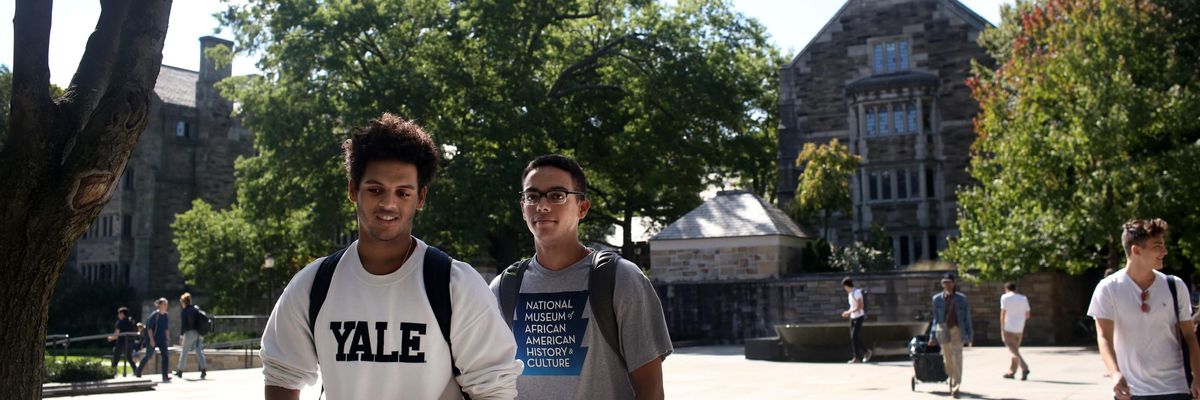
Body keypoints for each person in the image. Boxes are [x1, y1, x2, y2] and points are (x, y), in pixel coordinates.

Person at [259, 113, 521, 400]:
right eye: (375, 190)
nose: (388, 203)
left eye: (403, 193)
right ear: (352, 190)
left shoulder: (454, 284)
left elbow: (494, 388)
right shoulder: (313, 284)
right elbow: (281, 373)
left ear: (420, 198)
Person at [490, 154, 673, 400]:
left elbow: (650, 389)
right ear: (523, 208)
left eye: (557, 195)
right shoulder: (504, 287)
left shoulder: (621, 279)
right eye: (532, 196)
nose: (542, 205)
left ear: (582, 208)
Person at [1088, 218, 1200, 400]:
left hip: (1176, 387)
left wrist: (1198, 378)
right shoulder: (1108, 288)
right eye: (1157, 246)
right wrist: (1114, 374)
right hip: (1132, 391)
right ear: (1136, 250)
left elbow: (1189, 335)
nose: (1164, 251)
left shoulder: (1174, 285)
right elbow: (1104, 337)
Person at [929, 273, 973, 398]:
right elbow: (935, 319)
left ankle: (956, 385)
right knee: (947, 358)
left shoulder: (961, 298)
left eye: (949, 282)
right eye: (944, 282)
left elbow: (967, 317)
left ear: (954, 283)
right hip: (942, 329)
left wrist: (970, 335)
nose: (947, 285)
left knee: (957, 357)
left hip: (957, 329)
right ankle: (951, 377)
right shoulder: (937, 299)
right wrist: (932, 336)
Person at [135, 298, 171, 382]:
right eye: (164, 304)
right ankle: (138, 371)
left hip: (162, 340)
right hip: (153, 339)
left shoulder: (165, 315)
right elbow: (149, 328)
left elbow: (166, 328)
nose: (166, 306)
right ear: (160, 305)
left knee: (165, 356)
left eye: (166, 304)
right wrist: (151, 340)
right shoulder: (155, 315)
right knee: (148, 355)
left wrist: (168, 338)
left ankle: (165, 376)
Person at [1000, 282, 1031, 380]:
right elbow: (1028, 314)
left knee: (1012, 351)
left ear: (1006, 289)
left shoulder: (1005, 297)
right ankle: (1011, 372)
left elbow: (1003, 313)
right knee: (1016, 350)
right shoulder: (1023, 298)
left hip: (1009, 327)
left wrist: (1002, 328)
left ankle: (1024, 367)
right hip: (1019, 328)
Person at [175, 292, 208, 379]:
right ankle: (203, 369)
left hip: (189, 333)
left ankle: (180, 371)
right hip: (199, 333)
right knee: (199, 351)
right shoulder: (196, 309)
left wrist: (181, 336)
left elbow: (184, 325)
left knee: (184, 351)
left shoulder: (184, 311)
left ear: (184, 302)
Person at [840, 277, 872, 363]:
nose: (844, 289)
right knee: (853, 337)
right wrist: (848, 312)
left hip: (859, 317)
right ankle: (857, 357)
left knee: (854, 336)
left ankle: (865, 352)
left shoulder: (857, 293)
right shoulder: (850, 294)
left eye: (845, 287)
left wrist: (848, 312)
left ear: (847, 285)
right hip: (853, 317)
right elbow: (853, 306)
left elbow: (860, 306)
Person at [107, 307, 137, 377]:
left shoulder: (119, 323)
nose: (118, 315)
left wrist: (111, 338)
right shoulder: (130, 322)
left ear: (122, 314)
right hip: (129, 342)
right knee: (129, 358)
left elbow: (116, 335)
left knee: (116, 358)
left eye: (119, 313)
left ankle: (112, 373)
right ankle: (136, 370)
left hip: (120, 343)